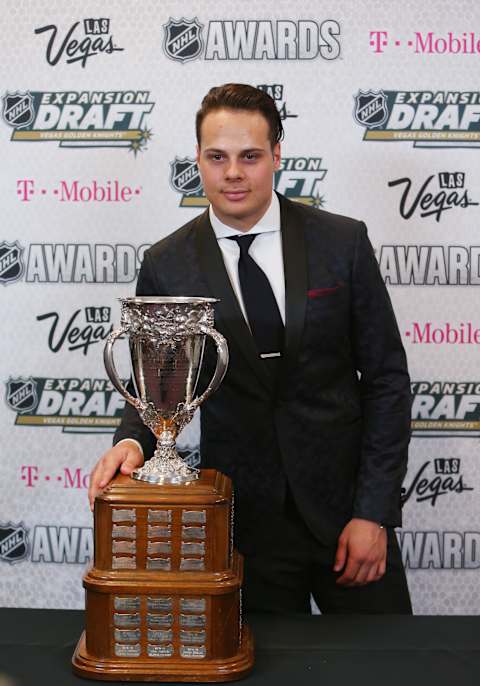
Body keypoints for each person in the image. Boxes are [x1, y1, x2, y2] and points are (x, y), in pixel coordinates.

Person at [89, 83, 412, 615]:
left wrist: (373, 513)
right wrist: (133, 442)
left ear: (277, 155)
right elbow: (161, 387)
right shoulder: (167, 263)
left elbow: (386, 382)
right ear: (197, 159)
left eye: (250, 156)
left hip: (349, 517)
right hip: (244, 528)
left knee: (390, 677)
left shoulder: (342, 242)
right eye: (217, 157)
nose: (232, 173)